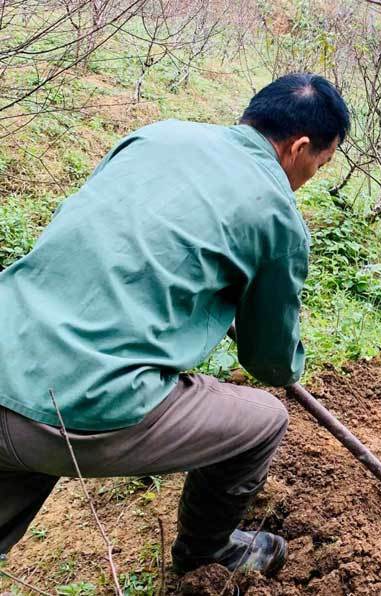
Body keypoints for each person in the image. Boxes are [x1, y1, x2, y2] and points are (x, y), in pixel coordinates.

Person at [0, 73, 349, 576]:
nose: (314, 172)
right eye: (322, 161)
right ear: (298, 147)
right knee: (262, 421)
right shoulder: (277, 215)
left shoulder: (155, 135)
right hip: (79, 409)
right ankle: (208, 556)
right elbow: (269, 362)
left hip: (11, 358)